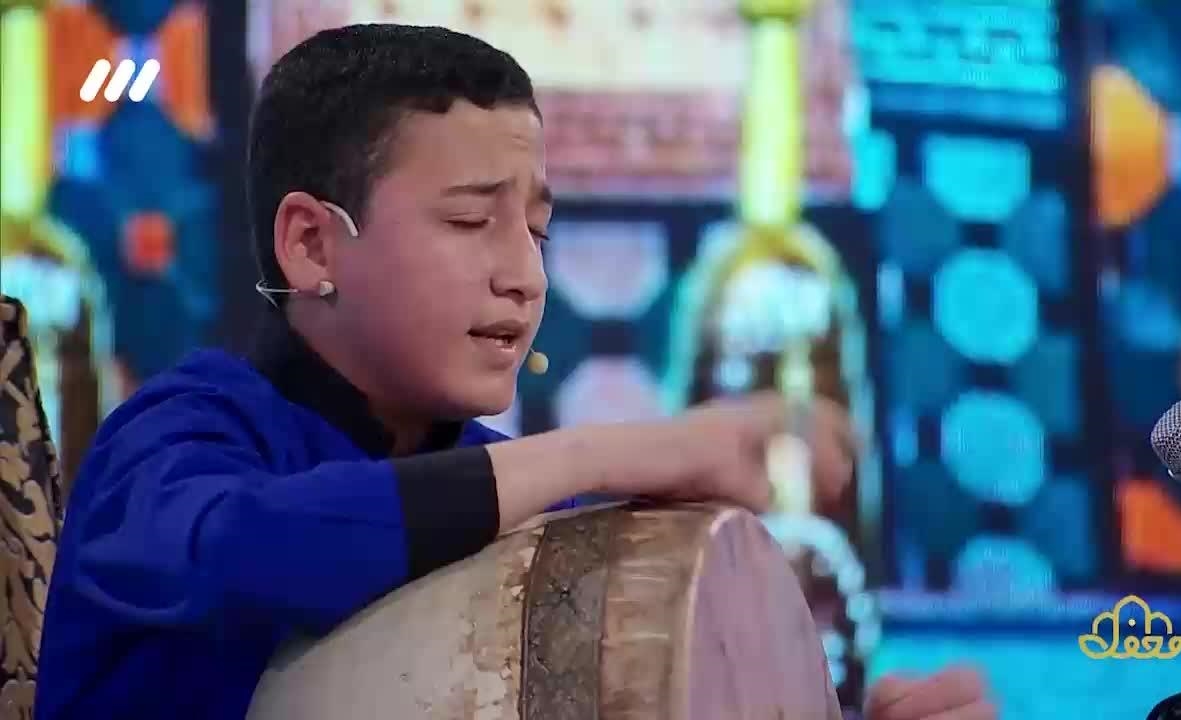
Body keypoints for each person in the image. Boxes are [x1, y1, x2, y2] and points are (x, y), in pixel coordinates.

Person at [36, 24, 995, 720]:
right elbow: (251, 551)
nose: (525, 275)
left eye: (536, 228)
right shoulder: (175, 442)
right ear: (312, 244)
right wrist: (607, 454)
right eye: (469, 220)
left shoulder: (528, 507)